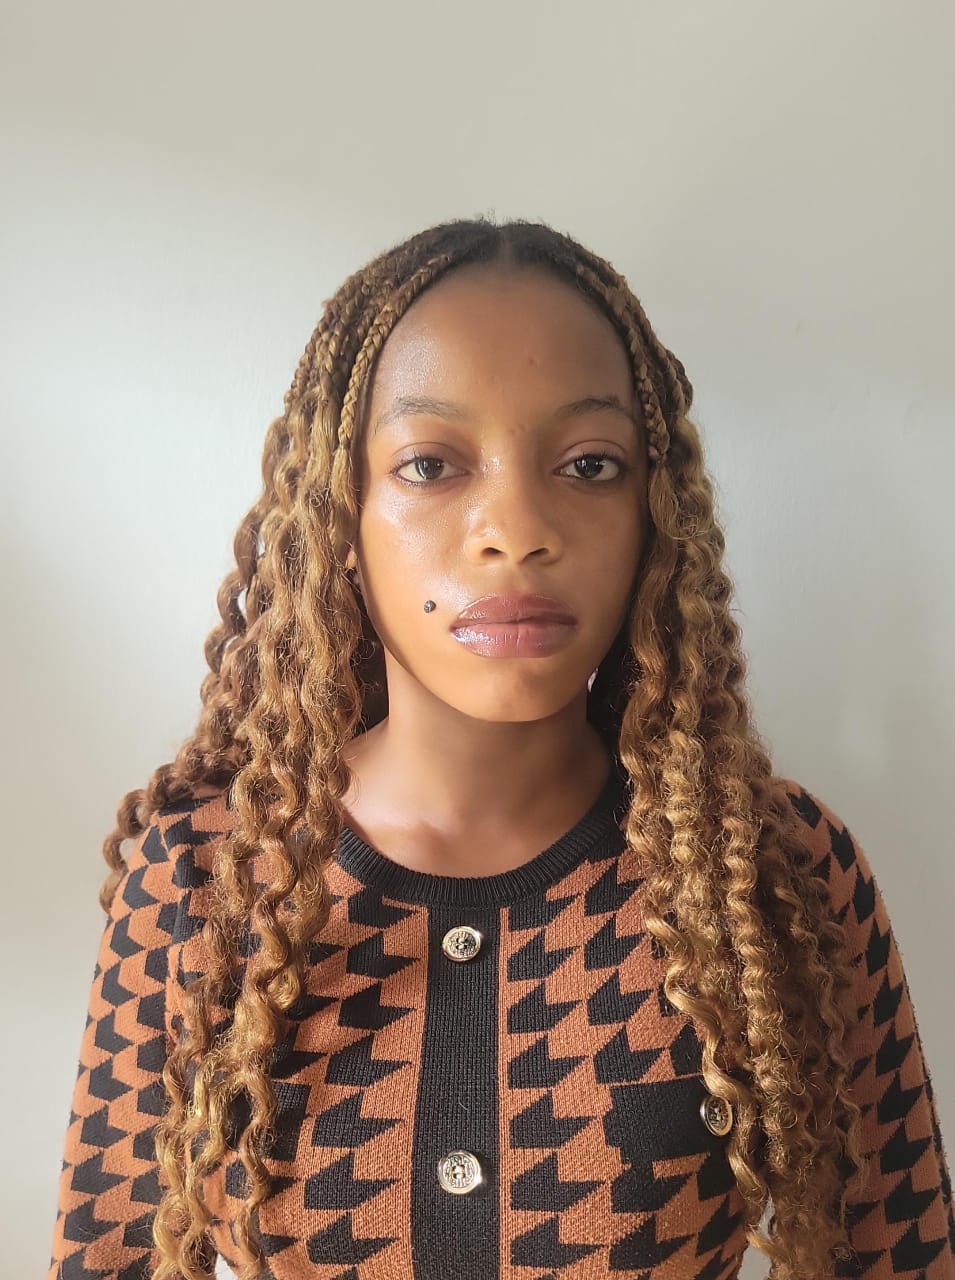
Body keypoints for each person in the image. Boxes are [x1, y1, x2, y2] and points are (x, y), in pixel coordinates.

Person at [47, 218, 954, 1280]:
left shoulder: (770, 873)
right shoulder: (202, 876)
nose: (515, 527)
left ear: (655, 516)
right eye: (430, 463)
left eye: (590, 464)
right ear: (340, 516)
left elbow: (897, 1253)